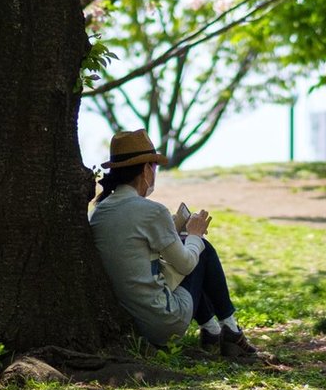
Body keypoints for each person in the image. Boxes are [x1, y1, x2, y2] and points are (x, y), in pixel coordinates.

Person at [89, 129, 258, 358]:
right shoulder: (151, 211)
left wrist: (176, 231)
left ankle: (212, 330)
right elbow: (188, 264)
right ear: (147, 169)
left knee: (188, 245)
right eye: (154, 167)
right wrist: (196, 235)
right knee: (202, 251)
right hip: (163, 321)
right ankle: (230, 329)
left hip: (131, 320)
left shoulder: (100, 212)